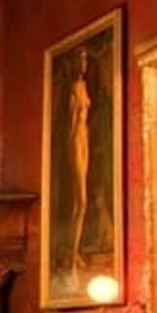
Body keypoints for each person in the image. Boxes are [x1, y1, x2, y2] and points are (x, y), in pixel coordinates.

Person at [65, 48, 93, 276]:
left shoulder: (83, 85)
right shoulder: (74, 88)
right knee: (81, 201)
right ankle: (71, 257)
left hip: (85, 138)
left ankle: (73, 254)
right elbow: (70, 125)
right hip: (76, 139)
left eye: (85, 59)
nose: (84, 63)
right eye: (80, 59)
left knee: (81, 203)